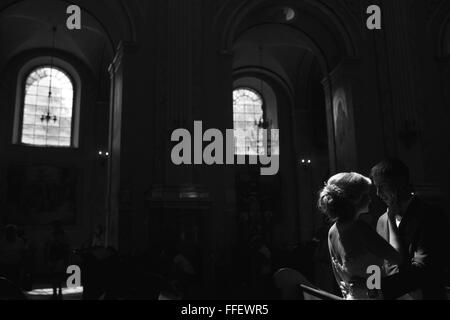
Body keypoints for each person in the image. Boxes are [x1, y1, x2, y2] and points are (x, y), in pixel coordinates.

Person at [372, 158, 450, 300]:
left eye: (382, 186)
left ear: (400, 183)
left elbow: (424, 269)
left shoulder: (430, 215)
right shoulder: (382, 220)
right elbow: (380, 263)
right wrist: (372, 286)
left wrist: (380, 289)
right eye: (376, 187)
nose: (378, 193)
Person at [318, 172, 403, 300]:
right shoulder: (360, 229)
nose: (370, 199)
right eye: (366, 194)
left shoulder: (332, 231)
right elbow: (397, 258)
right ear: (354, 200)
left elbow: (341, 279)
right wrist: (391, 219)